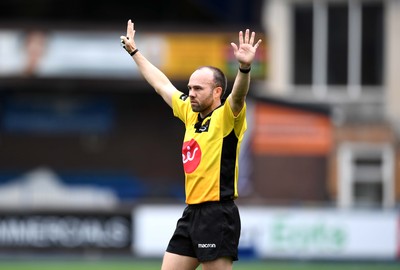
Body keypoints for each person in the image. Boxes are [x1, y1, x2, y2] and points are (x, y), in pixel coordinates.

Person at [120, 19, 262, 270]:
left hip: (217, 215)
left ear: (217, 92)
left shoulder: (228, 117)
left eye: (198, 88)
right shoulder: (190, 113)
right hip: (191, 213)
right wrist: (134, 52)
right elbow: (161, 84)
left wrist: (244, 69)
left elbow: (238, 96)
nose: (191, 93)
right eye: (189, 88)